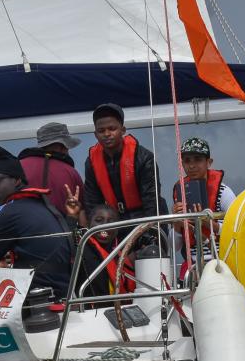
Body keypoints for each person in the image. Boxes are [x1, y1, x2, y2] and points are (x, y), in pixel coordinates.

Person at [0, 143, 73, 294]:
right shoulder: (42, 204)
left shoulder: (8, 212)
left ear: (17, 180)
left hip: (37, 296)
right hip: (64, 291)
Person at [72, 103, 164, 228]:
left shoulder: (144, 158)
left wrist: (150, 230)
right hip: (113, 222)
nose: (107, 134)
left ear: (123, 130)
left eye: (112, 129)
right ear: (95, 134)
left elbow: (151, 201)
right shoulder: (91, 162)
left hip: (145, 219)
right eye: (101, 131)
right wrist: (97, 230)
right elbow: (92, 203)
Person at [172, 136, 235, 264]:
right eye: (187, 161)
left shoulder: (224, 193)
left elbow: (237, 231)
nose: (192, 165)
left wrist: (207, 223)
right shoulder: (180, 194)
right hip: (192, 265)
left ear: (209, 162)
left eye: (198, 159)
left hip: (222, 262)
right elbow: (174, 247)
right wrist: (176, 223)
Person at [19, 121, 85, 213]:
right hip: (62, 222)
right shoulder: (70, 172)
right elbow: (82, 210)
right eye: (67, 147)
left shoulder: (19, 166)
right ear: (61, 146)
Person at [75, 205, 136, 301]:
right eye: (99, 220)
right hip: (92, 307)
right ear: (88, 224)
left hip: (120, 306)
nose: (105, 225)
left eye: (111, 221)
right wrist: (71, 217)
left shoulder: (123, 252)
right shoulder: (80, 249)